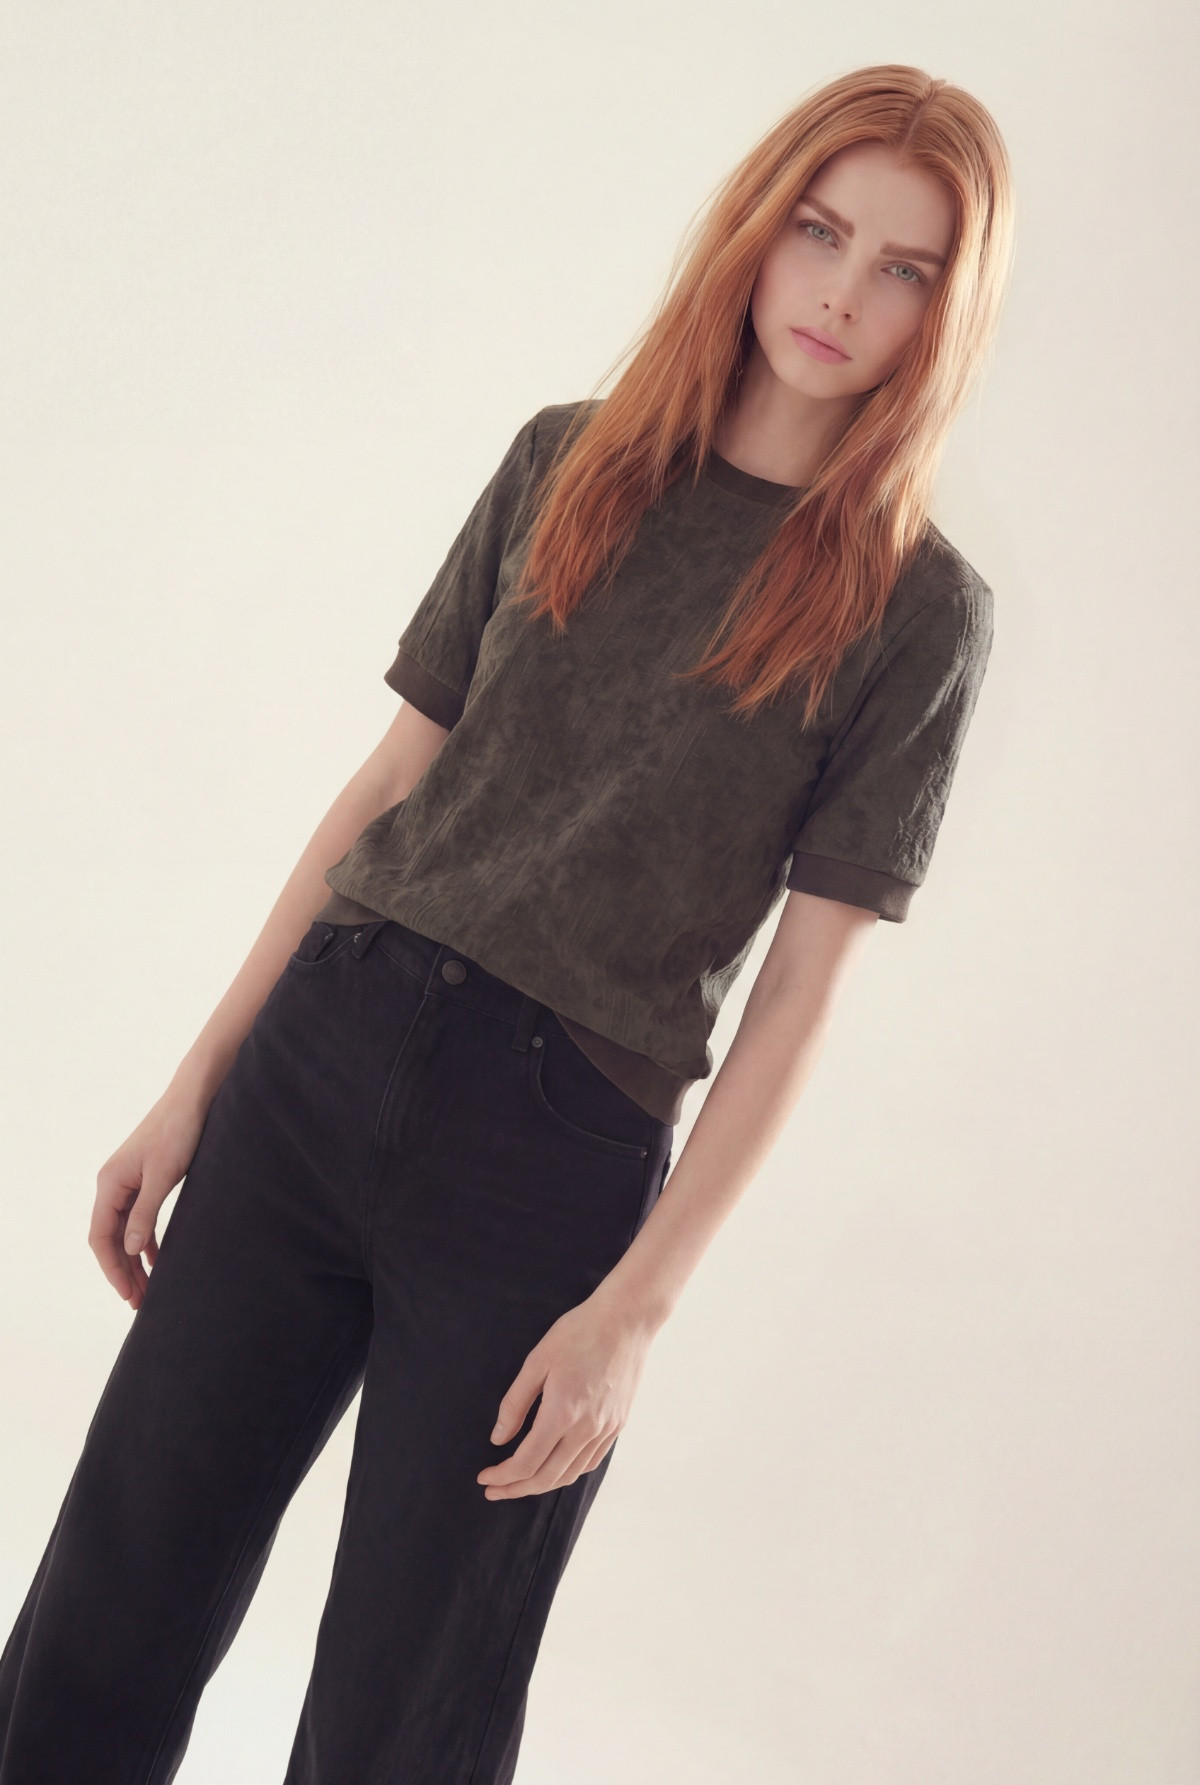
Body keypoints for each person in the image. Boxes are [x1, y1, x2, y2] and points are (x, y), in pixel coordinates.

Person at [0, 61, 1014, 1785]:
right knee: (110, 1601)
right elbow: (389, 788)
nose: (845, 291)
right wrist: (197, 1079)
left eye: (905, 267)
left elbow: (797, 990)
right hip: (322, 1053)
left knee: (406, 1708)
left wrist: (637, 1309)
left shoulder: (915, 611)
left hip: (549, 1163)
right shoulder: (569, 460)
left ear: (947, 311)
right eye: (820, 230)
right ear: (756, 233)